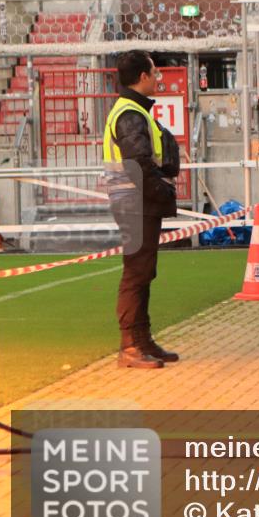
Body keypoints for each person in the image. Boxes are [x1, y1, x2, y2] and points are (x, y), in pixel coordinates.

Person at [103, 50, 181, 369]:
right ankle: (130, 346)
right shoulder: (130, 114)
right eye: (155, 72)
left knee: (144, 271)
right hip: (136, 202)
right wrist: (162, 191)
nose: (159, 78)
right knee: (137, 273)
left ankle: (142, 340)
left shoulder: (134, 111)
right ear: (143, 77)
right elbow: (138, 162)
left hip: (138, 201)